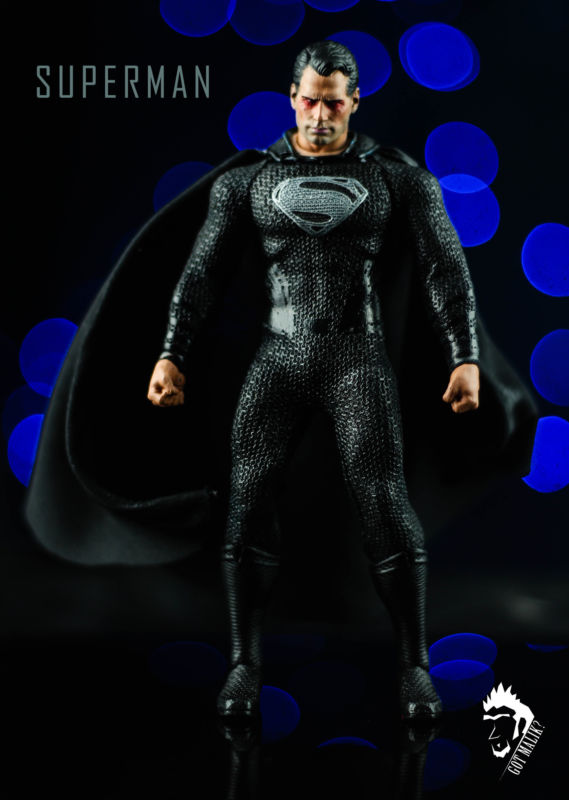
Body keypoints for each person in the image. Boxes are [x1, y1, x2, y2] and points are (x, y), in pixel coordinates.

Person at [146, 40, 481, 723]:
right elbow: (202, 274)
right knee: (246, 501)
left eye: (332, 103)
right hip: (279, 356)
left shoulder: (396, 179)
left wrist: (464, 355)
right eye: (309, 101)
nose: (320, 115)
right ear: (291, 99)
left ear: (354, 102)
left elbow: (444, 267)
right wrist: (171, 353)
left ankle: (415, 668)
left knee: (383, 502)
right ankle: (243, 663)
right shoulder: (247, 182)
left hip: (356, 357)